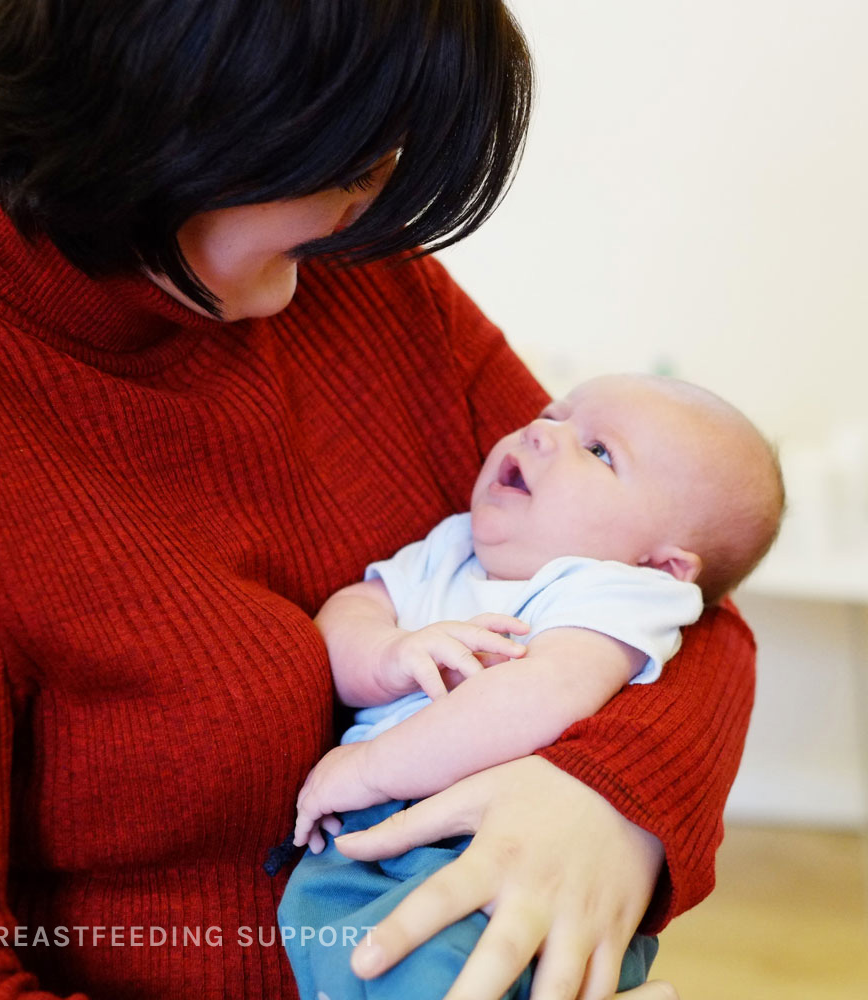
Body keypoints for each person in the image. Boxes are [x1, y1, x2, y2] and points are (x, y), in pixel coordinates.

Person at [0, 3, 752, 999]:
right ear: (195, 120)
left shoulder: (361, 284)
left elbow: (681, 584)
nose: (375, 208)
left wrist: (606, 804)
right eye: (360, 165)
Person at [279, 373, 784, 999]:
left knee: (432, 970)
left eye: (599, 452)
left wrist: (373, 768)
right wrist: (386, 653)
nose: (542, 431)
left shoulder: (615, 593)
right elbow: (350, 609)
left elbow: (539, 694)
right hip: (369, 833)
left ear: (661, 566)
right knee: (335, 949)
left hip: (496, 842)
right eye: (553, 414)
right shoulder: (450, 545)